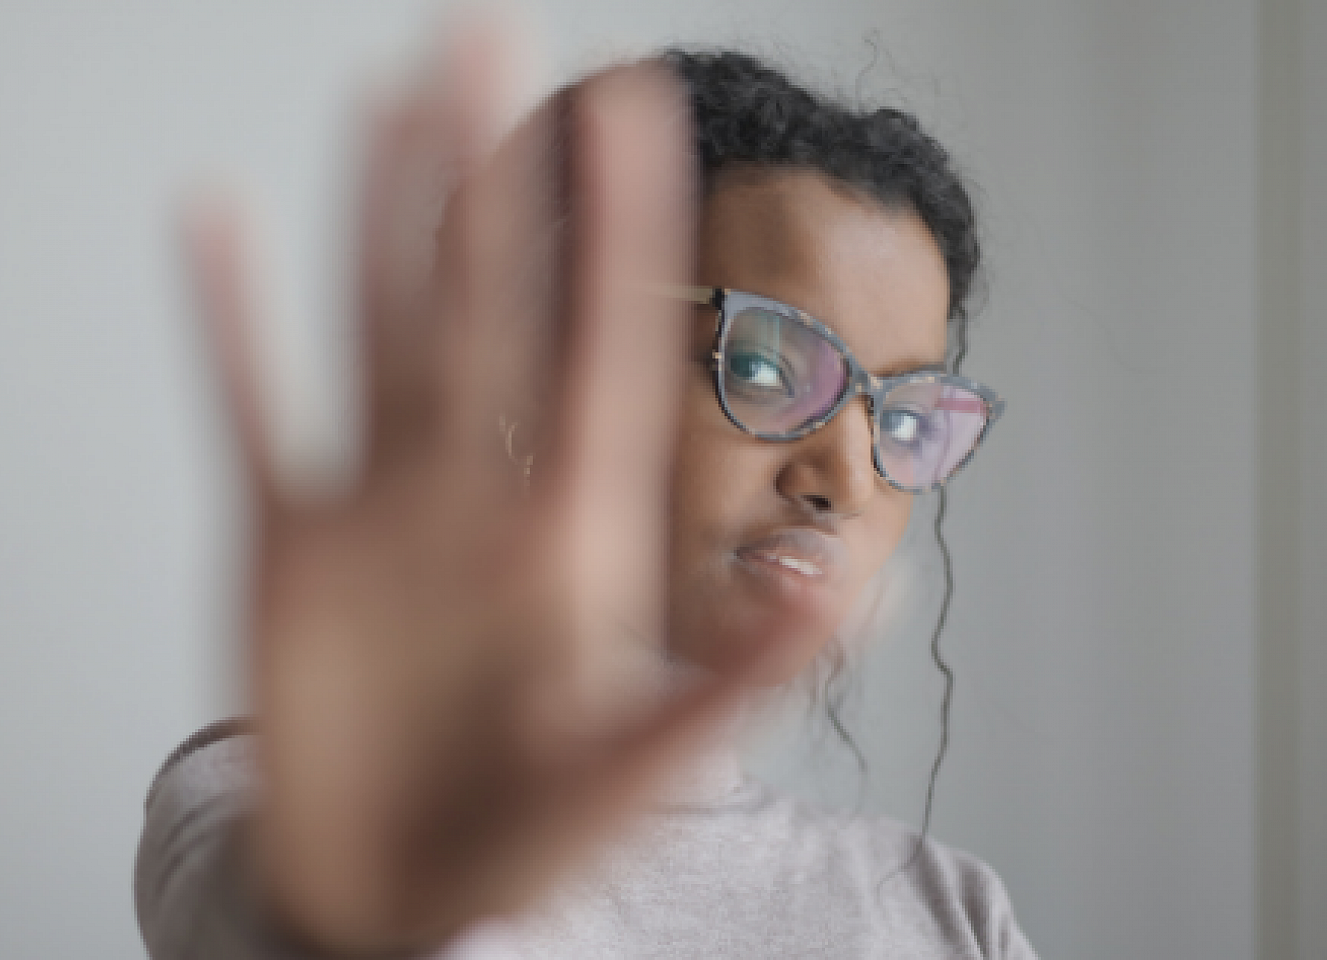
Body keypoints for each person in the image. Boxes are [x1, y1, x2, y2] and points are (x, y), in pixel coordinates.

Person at [138, 22, 1033, 960]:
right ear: (541, 377)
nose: (848, 479)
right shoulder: (299, 807)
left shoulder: (952, 913)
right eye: (766, 368)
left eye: (903, 420)